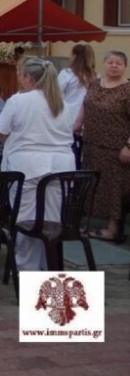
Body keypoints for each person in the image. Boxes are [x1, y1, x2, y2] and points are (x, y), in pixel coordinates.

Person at [0, 57, 77, 270]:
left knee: (26, 219)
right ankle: (46, 267)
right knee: (51, 220)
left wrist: (15, 141)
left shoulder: (19, 101)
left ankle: (26, 269)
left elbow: (1, 131)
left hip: (28, 165)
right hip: (61, 167)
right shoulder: (63, 104)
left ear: (27, 77)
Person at [75, 50, 130, 242]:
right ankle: (92, 223)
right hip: (91, 144)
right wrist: (78, 123)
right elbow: (85, 105)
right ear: (104, 64)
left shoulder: (127, 89)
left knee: (114, 189)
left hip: (116, 148)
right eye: (111, 62)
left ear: (124, 67)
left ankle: (113, 229)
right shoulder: (95, 84)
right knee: (94, 185)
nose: (114, 66)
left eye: (119, 63)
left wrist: (128, 146)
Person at [57, 44, 96, 111]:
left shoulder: (66, 73)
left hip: (69, 114)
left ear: (74, 56)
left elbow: (57, 95)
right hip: (88, 115)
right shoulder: (95, 76)